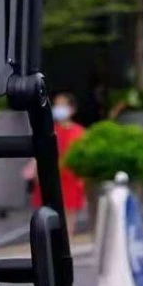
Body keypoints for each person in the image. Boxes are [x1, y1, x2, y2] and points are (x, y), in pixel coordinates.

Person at [21, 92, 86, 238]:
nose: (59, 108)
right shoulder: (49, 130)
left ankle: (65, 248)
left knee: (69, 218)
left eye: (63, 104)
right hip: (49, 177)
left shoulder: (79, 132)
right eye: (57, 104)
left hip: (70, 180)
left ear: (72, 109)